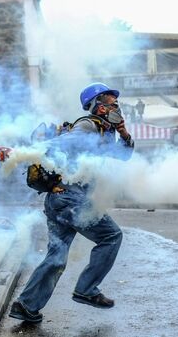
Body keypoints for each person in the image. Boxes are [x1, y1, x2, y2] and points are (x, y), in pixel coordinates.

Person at [9, 82, 134, 323]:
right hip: (70, 199)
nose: (116, 104)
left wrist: (124, 133)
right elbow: (63, 143)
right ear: (98, 106)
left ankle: (26, 306)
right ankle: (86, 291)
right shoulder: (88, 126)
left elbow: (123, 156)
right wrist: (22, 152)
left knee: (56, 257)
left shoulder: (105, 132)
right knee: (111, 236)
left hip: (59, 200)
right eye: (111, 101)